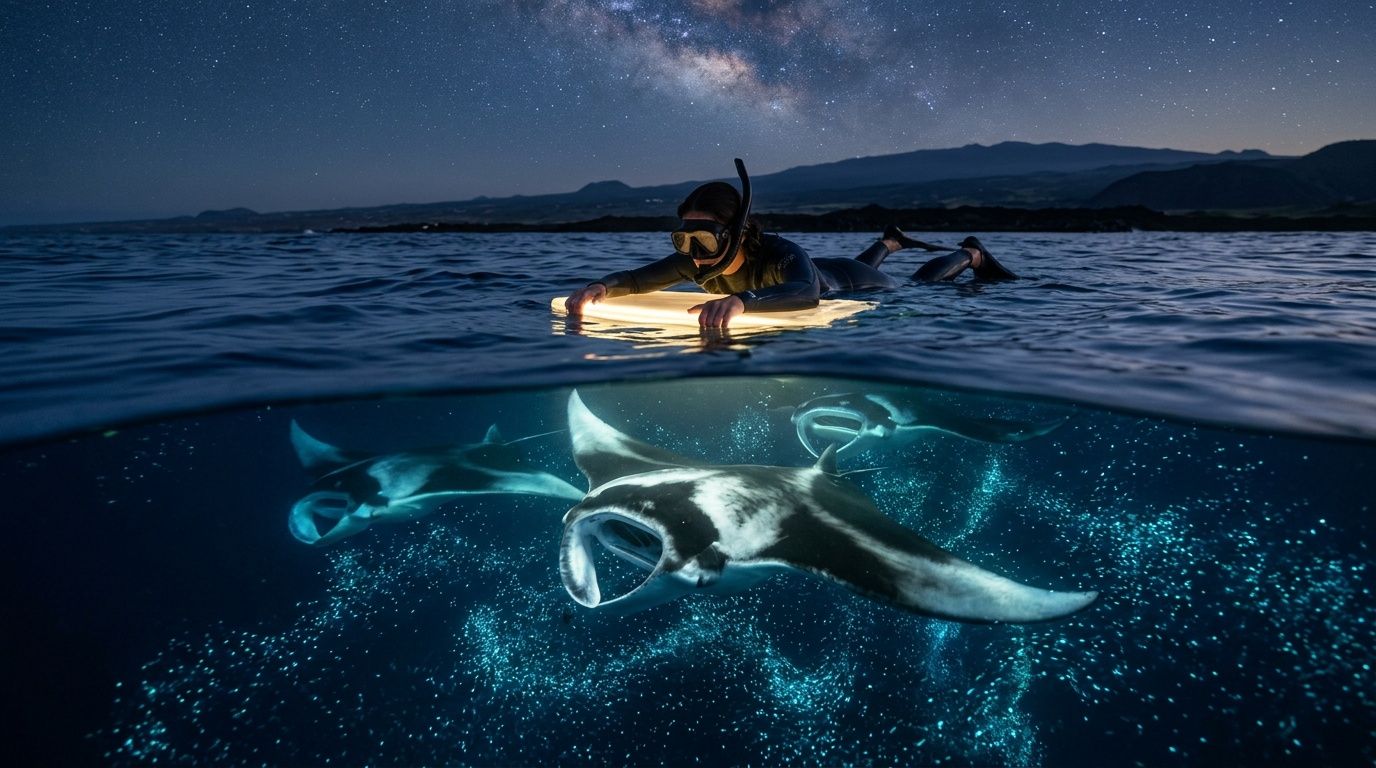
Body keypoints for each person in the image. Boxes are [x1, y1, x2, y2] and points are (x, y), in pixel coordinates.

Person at [564, 159, 1017, 329]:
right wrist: (600, 287)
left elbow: (806, 293)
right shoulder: (695, 263)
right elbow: (636, 279)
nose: (693, 252)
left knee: (919, 284)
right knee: (875, 263)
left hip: (849, 283)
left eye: (703, 238)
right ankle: (889, 241)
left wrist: (743, 301)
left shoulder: (781, 253)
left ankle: (970, 252)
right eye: (684, 239)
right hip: (827, 267)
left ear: (736, 232)